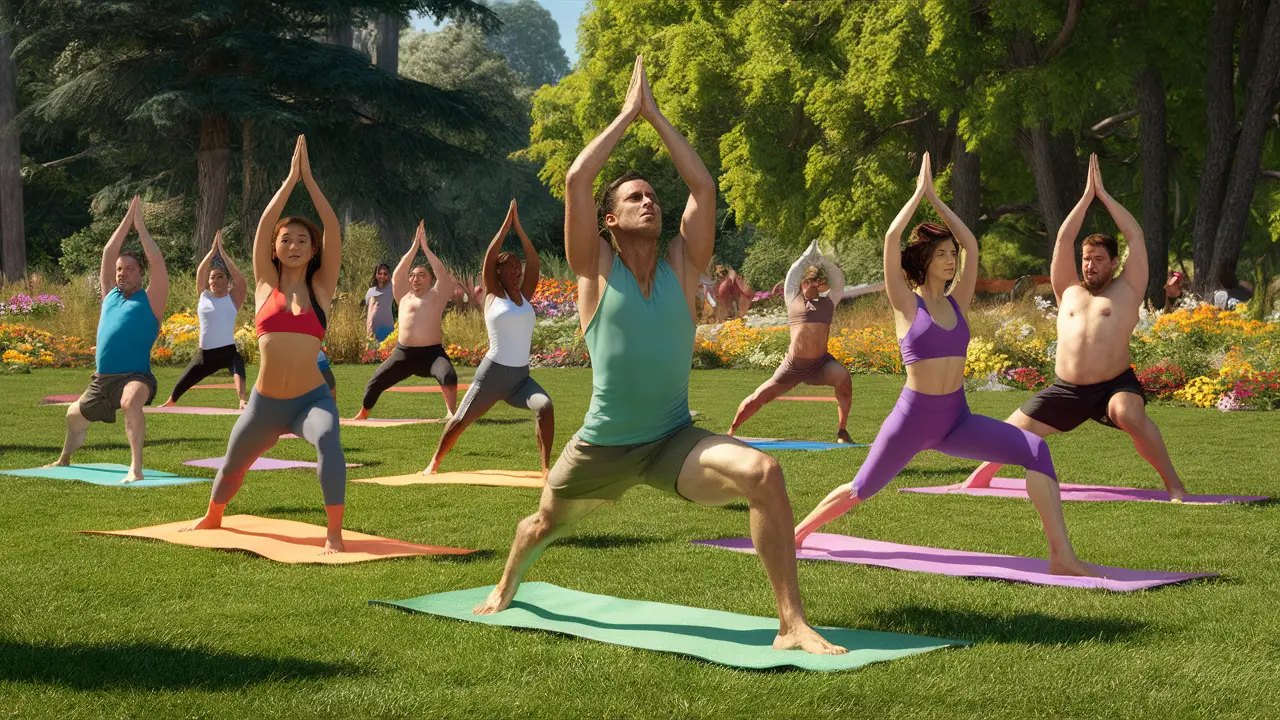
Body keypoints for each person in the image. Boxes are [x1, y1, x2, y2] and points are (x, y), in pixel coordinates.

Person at [474, 56, 845, 655]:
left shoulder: (682, 264)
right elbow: (576, 182)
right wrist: (626, 116)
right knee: (543, 525)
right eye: (635, 198)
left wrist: (657, 115)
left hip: (672, 439)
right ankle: (506, 584)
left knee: (764, 474)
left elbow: (703, 187)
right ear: (610, 219)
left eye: (652, 196)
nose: (650, 202)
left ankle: (791, 623)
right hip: (602, 444)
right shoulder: (595, 269)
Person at [792, 153, 1093, 577]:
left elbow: (973, 244)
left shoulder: (958, 302)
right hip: (912, 418)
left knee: (1036, 451)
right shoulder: (906, 305)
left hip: (956, 419)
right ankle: (795, 535)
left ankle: (1061, 556)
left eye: (952, 255)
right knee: (860, 489)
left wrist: (939, 199)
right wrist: (919, 195)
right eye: (942, 255)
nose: (952, 261)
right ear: (925, 261)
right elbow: (892, 241)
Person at [963, 154, 1188, 501]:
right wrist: (1085, 199)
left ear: (1114, 263)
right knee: (1010, 433)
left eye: (1099, 260)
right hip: (1067, 389)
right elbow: (1063, 239)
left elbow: (1135, 235)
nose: (1090, 266)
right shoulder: (1067, 288)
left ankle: (1175, 486)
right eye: (1086, 259)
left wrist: (1105, 196)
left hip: (1114, 385)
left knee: (1127, 413)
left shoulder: (1127, 289)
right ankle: (977, 479)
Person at [186, 135, 348, 554]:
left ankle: (334, 532)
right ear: (275, 248)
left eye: (302, 241)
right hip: (264, 404)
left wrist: (309, 181)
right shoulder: (262, 284)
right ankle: (214, 514)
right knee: (231, 466)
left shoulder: (321, 288)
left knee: (329, 439)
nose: (294, 246)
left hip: (310, 401)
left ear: (313, 251)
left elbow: (332, 228)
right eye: (286, 240)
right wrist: (288, 180)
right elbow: (262, 226)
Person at [425, 200, 554, 476]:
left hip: (521, 378)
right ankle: (434, 462)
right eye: (509, 268)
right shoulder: (494, 296)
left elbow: (533, 261)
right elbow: (489, 258)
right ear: (498, 273)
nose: (517, 271)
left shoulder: (524, 296)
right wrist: (505, 227)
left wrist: (519, 229)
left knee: (545, 407)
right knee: (460, 420)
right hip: (492, 376)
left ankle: (545, 469)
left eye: (517, 268)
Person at [47, 196, 168, 483]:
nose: (122, 273)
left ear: (140, 274)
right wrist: (127, 218)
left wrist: (140, 226)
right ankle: (64, 459)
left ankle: (135, 469)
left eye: (129, 269)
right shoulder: (109, 296)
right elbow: (108, 250)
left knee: (130, 403)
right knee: (73, 417)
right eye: (119, 270)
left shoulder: (151, 299)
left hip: (135, 376)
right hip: (101, 380)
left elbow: (157, 260)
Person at [728, 241, 854, 442]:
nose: (822, 286)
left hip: (821, 364)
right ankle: (731, 432)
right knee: (758, 399)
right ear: (806, 282)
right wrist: (807, 256)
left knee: (844, 378)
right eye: (816, 283)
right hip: (794, 366)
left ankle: (842, 431)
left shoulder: (828, 302)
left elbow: (838, 280)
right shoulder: (793, 298)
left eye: (822, 283)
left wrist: (823, 260)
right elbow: (793, 274)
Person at [352, 222, 459, 421]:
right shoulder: (403, 296)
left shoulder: (437, 296)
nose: (415, 279)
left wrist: (426, 249)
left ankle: (451, 413)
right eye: (413, 276)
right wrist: (413, 248)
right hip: (404, 354)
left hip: (432, 354)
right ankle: (363, 413)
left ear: (429, 279)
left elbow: (442, 274)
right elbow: (398, 273)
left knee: (448, 376)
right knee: (376, 381)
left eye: (421, 275)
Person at [161, 231, 248, 409]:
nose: (214, 280)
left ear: (227, 281)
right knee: (184, 381)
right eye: (212, 277)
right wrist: (211, 251)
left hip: (228, 351)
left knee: (238, 368)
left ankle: (242, 400)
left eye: (219, 276)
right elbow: (200, 272)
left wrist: (222, 253)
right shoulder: (204, 296)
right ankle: (171, 401)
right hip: (205, 354)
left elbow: (240, 279)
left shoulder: (233, 299)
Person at [364, 263, 396, 343]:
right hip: (373, 328)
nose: (382, 276)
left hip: (387, 327)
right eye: (380, 273)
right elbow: (368, 311)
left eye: (385, 274)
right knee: (372, 353)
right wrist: (368, 327)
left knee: (386, 352)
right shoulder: (371, 290)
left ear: (389, 275)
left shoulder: (391, 288)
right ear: (376, 275)